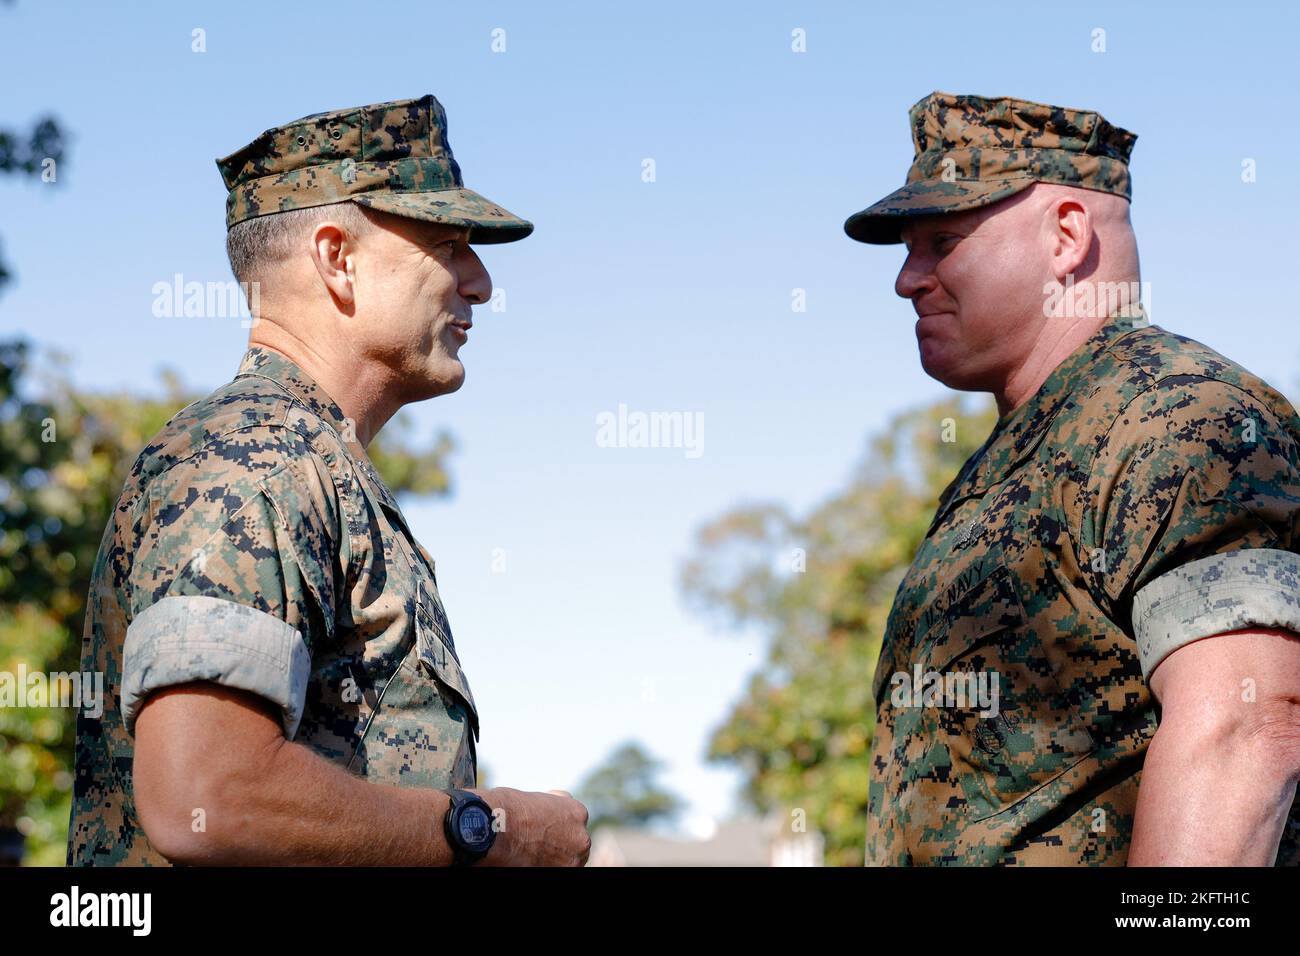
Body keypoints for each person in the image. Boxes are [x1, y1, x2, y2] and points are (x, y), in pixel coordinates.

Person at [67, 95, 590, 866]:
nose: (478, 282)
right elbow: (206, 798)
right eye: (447, 244)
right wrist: (489, 830)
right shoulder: (255, 457)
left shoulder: (311, 462)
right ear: (336, 258)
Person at [844, 91, 1300, 865]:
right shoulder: (1023, 451)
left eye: (943, 240)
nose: (907, 280)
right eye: (906, 251)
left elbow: (1250, 728)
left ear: (1066, 236)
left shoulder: (1178, 413)